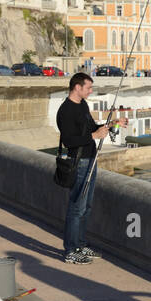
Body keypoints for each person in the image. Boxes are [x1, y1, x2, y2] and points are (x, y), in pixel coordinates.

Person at [56, 72, 109, 264]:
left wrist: (109, 126)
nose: (91, 91)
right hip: (79, 163)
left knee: (86, 206)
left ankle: (80, 244)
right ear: (77, 87)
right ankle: (70, 250)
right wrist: (94, 136)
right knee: (76, 207)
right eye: (88, 87)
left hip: (91, 159)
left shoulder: (83, 105)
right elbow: (70, 141)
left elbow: (91, 128)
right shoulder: (66, 110)